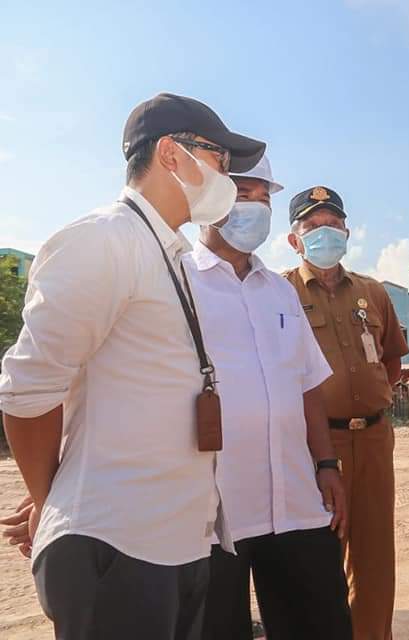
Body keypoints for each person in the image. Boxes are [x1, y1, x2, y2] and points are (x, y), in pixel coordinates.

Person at [0, 93, 264, 639]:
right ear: (172, 154)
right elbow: (26, 394)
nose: (228, 177)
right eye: (219, 158)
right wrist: (56, 506)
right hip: (117, 546)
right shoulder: (104, 241)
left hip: (174, 542)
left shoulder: (170, 255)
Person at [187, 157, 352, 640]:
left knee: (321, 624)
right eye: (244, 194)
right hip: (213, 509)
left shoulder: (280, 292)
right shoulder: (176, 284)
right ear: (207, 198)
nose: (256, 208)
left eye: (264, 198)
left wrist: (326, 464)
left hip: (296, 501)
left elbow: (307, 386)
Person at [284, 185, 409, 640]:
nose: (324, 234)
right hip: (315, 444)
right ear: (294, 240)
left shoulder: (372, 293)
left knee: (375, 556)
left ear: (348, 232)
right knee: (319, 554)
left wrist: (367, 400)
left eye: (333, 225)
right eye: (312, 227)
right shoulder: (279, 292)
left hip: (374, 438)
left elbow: (392, 358)